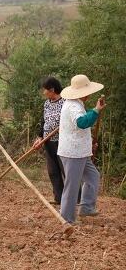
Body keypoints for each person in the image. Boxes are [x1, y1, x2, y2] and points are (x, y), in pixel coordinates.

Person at [57, 74, 105, 224]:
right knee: (72, 185)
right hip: (73, 153)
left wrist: (89, 142)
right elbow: (82, 123)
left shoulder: (76, 104)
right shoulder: (73, 106)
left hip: (80, 151)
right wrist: (96, 110)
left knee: (93, 176)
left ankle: (86, 207)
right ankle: (67, 218)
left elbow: (79, 128)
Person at [32, 77, 66, 205]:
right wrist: (40, 137)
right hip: (48, 141)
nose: (43, 92)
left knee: (65, 170)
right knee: (53, 171)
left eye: (45, 90)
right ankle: (59, 198)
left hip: (62, 141)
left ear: (52, 90)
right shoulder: (47, 103)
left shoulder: (65, 102)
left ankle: (74, 198)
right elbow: (44, 121)